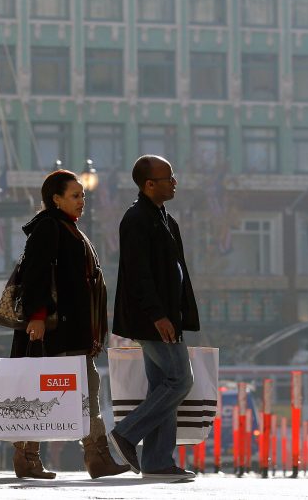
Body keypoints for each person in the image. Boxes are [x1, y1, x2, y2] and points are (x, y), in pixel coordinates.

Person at [9, 169, 130, 480]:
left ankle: (83, 457)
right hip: (57, 332)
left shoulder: (67, 227)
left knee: (77, 390)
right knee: (56, 391)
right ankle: (81, 456)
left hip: (74, 332)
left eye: (83, 196)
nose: (82, 201)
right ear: (56, 199)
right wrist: (36, 316)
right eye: (75, 196)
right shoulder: (49, 227)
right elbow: (35, 274)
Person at [108, 155, 199, 480]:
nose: (174, 182)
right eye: (168, 178)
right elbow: (138, 273)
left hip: (167, 317)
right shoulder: (136, 219)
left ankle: (158, 461)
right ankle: (126, 433)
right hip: (151, 319)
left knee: (162, 384)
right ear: (149, 184)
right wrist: (159, 315)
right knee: (180, 380)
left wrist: (176, 314)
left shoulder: (164, 218)